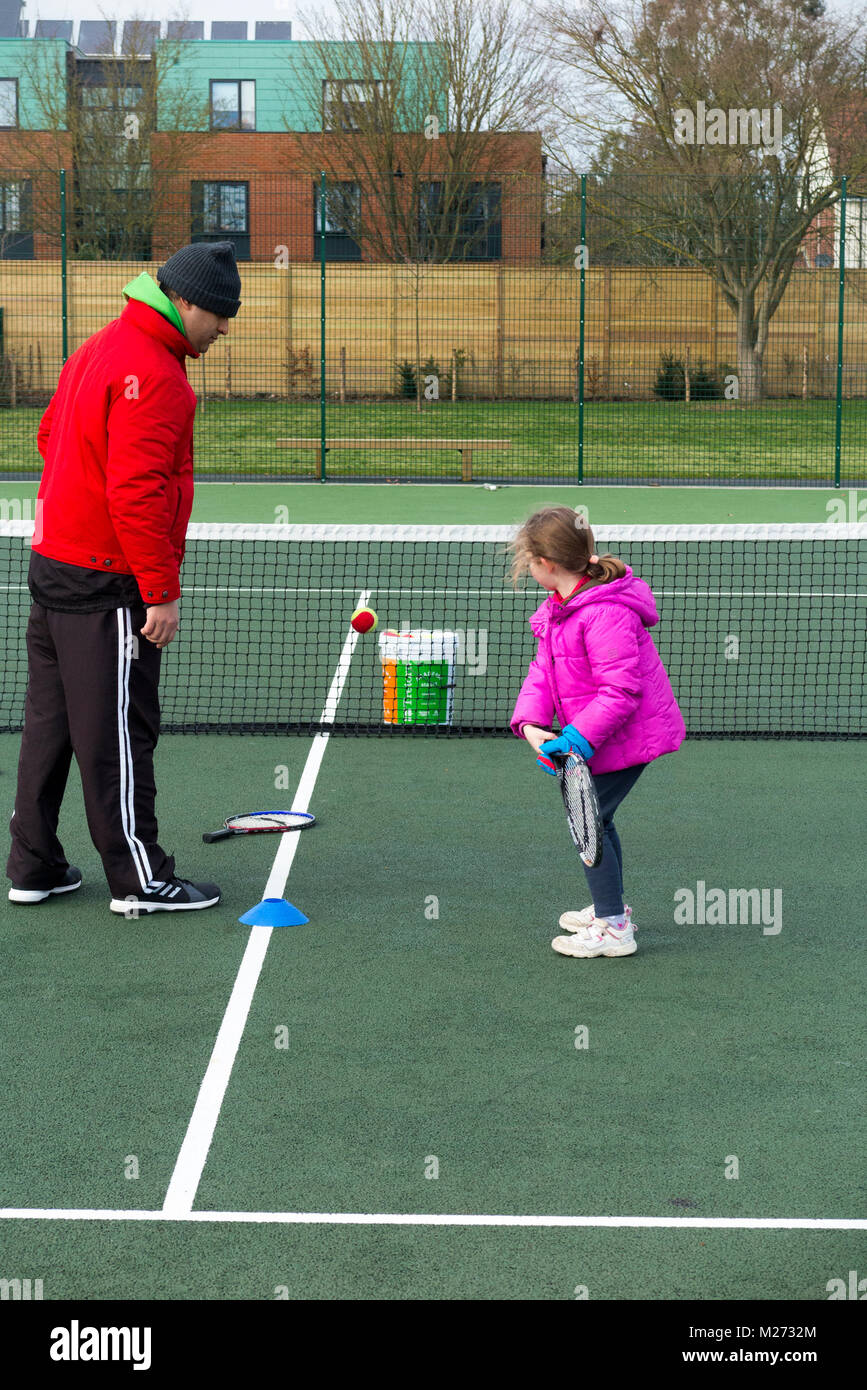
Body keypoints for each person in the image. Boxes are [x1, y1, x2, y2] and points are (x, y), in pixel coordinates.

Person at [6, 241, 242, 915]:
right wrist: (160, 590)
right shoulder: (156, 373)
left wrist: (72, 507)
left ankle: (35, 864)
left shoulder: (99, 347)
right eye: (219, 314)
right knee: (118, 733)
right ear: (187, 302)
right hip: (104, 583)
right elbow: (136, 491)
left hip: (54, 566)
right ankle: (141, 878)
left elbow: (52, 436)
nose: (224, 328)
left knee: (49, 726)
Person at [510, 506, 685, 958]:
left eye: (528, 561)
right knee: (597, 822)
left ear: (545, 563)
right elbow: (543, 672)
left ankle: (612, 927)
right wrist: (530, 722)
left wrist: (573, 742)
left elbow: (621, 692)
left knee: (588, 824)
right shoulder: (561, 609)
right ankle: (612, 911)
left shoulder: (604, 613)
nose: (527, 569)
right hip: (598, 739)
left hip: (626, 737)